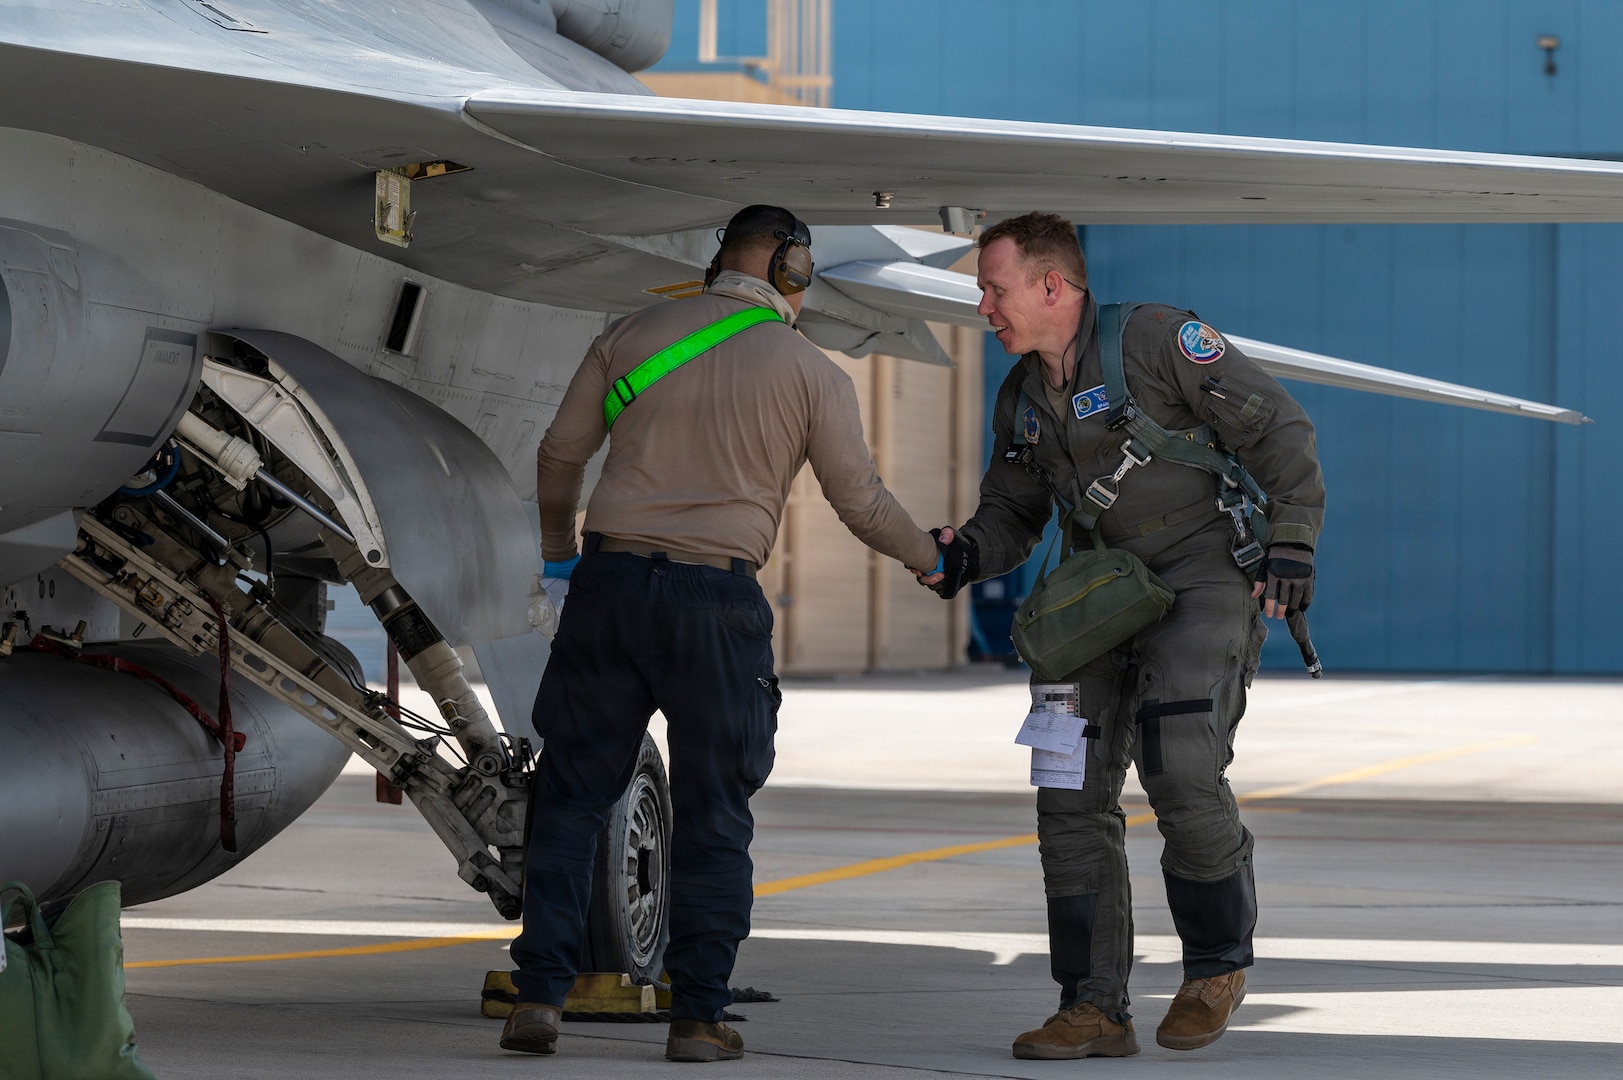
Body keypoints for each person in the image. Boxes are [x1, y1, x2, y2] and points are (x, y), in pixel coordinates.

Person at [504, 204, 942, 1063]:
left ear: (718, 265)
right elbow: (862, 505)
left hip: (611, 585)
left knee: (571, 798)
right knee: (714, 813)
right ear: (795, 272)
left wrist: (560, 555)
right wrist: (932, 559)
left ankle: (541, 1000)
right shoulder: (813, 372)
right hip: (717, 604)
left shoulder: (631, 334)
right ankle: (698, 1017)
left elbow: (559, 454)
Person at [922, 212, 1325, 1059]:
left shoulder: (1159, 341)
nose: (984, 308)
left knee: (1179, 761)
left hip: (1199, 575)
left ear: (1051, 286)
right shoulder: (1021, 395)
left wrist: (1291, 540)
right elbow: (1011, 514)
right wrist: (959, 555)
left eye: (993, 290)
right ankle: (1092, 1007)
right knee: (1063, 786)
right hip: (1093, 593)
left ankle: (1214, 966)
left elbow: (1279, 429)